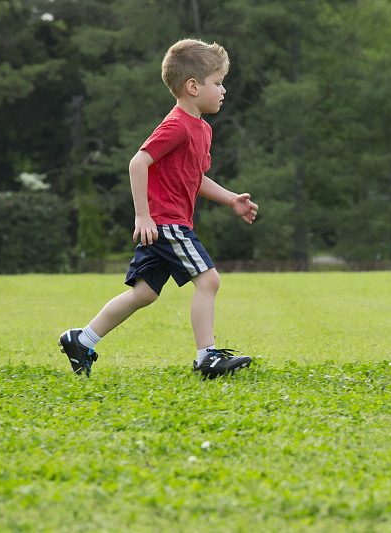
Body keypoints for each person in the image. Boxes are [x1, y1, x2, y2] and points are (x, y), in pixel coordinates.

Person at [59, 38, 258, 380]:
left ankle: (82, 339)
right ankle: (207, 357)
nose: (223, 90)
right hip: (166, 224)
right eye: (218, 83)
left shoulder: (202, 129)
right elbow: (138, 163)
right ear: (193, 87)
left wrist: (231, 199)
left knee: (145, 293)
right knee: (208, 280)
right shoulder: (178, 124)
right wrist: (143, 215)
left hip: (167, 223)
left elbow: (196, 178)